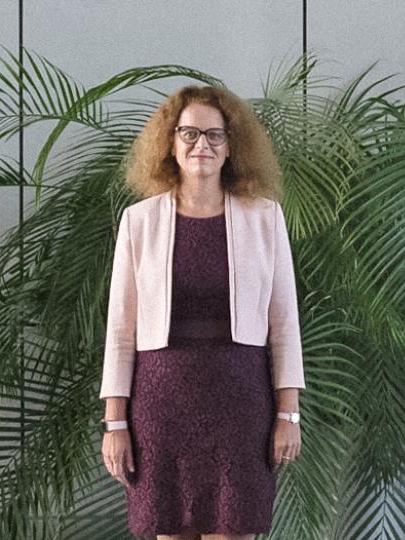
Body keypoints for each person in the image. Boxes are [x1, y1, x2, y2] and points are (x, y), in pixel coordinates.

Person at [99, 85, 304, 540]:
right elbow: (120, 331)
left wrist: (288, 414)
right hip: (160, 405)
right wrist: (115, 423)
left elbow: (285, 325)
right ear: (170, 144)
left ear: (232, 147)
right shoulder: (139, 221)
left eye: (214, 135)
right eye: (189, 133)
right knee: (170, 531)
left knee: (234, 530)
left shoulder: (264, 217)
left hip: (240, 405)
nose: (201, 145)